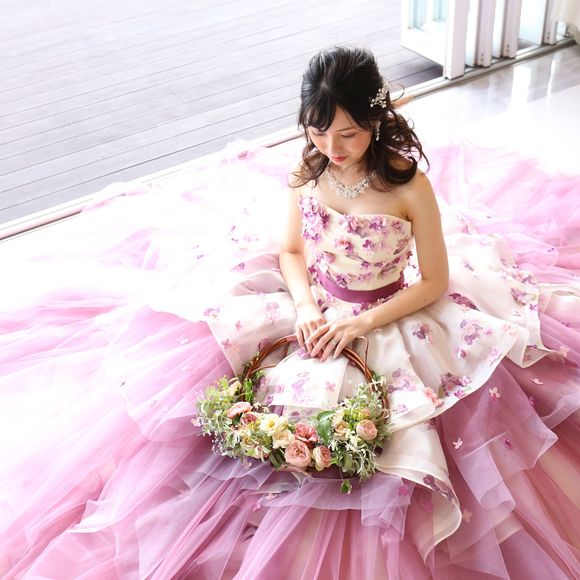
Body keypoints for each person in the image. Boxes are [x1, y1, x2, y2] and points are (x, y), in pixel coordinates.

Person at [0, 46, 579, 579]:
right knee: (221, 392)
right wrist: (305, 305)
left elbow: (434, 280)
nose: (333, 147)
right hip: (312, 302)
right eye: (318, 131)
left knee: (393, 430)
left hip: (389, 312)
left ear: (375, 121)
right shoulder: (308, 172)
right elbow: (291, 252)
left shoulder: (408, 185)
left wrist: (361, 322)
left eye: (348, 133)